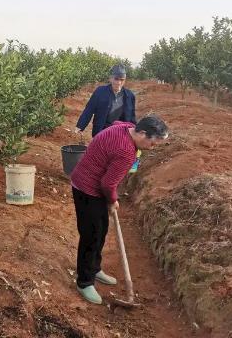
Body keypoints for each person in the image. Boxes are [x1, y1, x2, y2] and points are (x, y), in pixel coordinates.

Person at [69, 115, 169, 304]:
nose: (152, 147)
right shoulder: (126, 151)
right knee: (91, 236)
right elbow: (107, 184)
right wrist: (112, 200)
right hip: (87, 189)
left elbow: (107, 180)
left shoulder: (124, 127)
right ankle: (84, 282)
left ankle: (95, 268)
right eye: (153, 143)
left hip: (88, 182)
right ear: (141, 133)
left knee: (101, 230)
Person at [75, 64, 136, 137]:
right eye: (116, 79)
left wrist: (135, 132)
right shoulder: (100, 92)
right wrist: (80, 126)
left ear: (125, 80)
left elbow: (132, 116)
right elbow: (89, 109)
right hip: (101, 131)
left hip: (121, 133)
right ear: (110, 78)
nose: (119, 82)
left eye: (122, 80)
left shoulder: (129, 96)